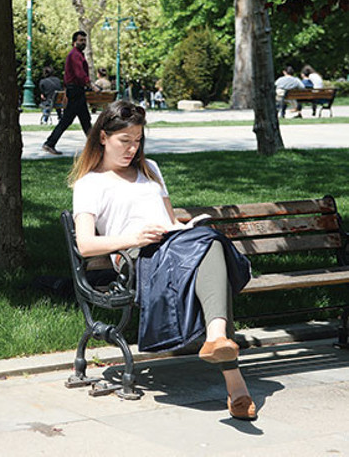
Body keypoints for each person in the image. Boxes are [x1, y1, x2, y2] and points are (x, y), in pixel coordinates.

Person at [69, 100, 256, 421]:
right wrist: (136, 238)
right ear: (102, 137)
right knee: (208, 252)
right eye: (124, 141)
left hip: (172, 245)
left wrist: (183, 229)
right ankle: (234, 380)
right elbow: (85, 245)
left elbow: (169, 218)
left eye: (137, 141)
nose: (132, 149)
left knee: (207, 241)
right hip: (135, 257)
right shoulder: (89, 184)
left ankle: (217, 338)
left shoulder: (150, 168)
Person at [42, 31, 101, 155]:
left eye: (84, 40)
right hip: (75, 90)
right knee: (76, 119)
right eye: (81, 40)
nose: (83, 43)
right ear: (74, 42)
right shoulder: (75, 55)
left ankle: (95, 147)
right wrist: (91, 85)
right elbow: (79, 74)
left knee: (81, 119)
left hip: (75, 90)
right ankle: (96, 147)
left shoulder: (78, 54)